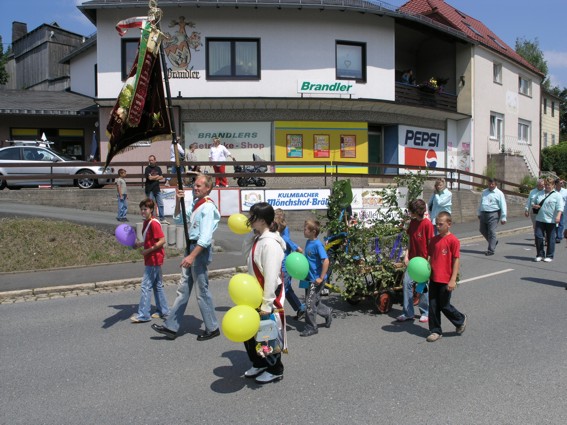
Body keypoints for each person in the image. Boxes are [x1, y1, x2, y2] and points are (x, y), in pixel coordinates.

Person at [151, 174, 221, 341]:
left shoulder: (208, 207)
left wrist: (191, 256)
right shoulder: (197, 203)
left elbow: (205, 238)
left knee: (201, 291)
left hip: (199, 250)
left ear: (208, 188)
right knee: (183, 289)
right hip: (192, 247)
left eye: (199, 186)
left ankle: (212, 327)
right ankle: (171, 326)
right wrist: (177, 201)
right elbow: (178, 219)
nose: (195, 188)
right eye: (195, 185)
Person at [242, 202, 286, 384]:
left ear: (261, 220)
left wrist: (267, 303)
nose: (248, 219)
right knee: (249, 332)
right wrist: (251, 236)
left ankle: (274, 368)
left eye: (252, 216)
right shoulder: (258, 238)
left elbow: (270, 274)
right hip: (253, 293)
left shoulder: (270, 244)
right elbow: (244, 253)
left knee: (265, 334)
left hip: (265, 294)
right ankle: (258, 363)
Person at [426, 211, 466, 342]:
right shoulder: (434, 240)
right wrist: (425, 272)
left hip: (445, 279)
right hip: (433, 278)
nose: (437, 227)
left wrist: (453, 279)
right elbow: (430, 257)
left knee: (444, 305)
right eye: (436, 224)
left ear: (449, 224)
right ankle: (435, 331)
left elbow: (456, 260)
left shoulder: (453, 240)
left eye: (440, 224)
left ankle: (460, 319)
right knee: (432, 306)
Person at [131, 198, 170, 323]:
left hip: (153, 258)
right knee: (157, 285)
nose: (143, 211)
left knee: (145, 286)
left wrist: (148, 250)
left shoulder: (154, 223)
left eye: (145, 209)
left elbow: (162, 241)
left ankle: (143, 314)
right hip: (152, 257)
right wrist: (141, 244)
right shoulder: (146, 222)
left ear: (151, 209)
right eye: (141, 209)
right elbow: (150, 240)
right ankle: (163, 310)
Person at [396, 199, 434, 323]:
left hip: (423, 262)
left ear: (416, 211)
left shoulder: (427, 224)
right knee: (406, 283)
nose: (409, 212)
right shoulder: (412, 223)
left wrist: (428, 262)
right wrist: (407, 255)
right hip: (413, 261)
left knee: (422, 287)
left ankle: (425, 312)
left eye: (411, 210)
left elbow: (430, 244)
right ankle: (408, 313)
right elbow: (410, 241)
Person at [298, 219, 332, 337]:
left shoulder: (317, 245)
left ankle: (311, 327)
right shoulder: (308, 242)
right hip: (308, 278)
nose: (304, 230)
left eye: (305, 229)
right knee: (313, 302)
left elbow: (326, 261)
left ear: (313, 231)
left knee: (309, 304)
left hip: (316, 280)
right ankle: (327, 312)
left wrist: (321, 277)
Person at [274, 208, 306, 320]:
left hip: (285, 265)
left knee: (283, 290)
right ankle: (301, 308)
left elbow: (287, 240)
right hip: (280, 264)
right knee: (286, 289)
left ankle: (277, 314)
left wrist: (296, 248)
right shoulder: (278, 230)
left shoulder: (283, 232)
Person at [532, 177, 563, 262]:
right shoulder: (540, 193)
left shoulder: (557, 195)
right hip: (539, 219)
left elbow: (560, 207)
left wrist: (558, 216)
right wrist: (534, 206)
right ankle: (540, 254)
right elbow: (533, 202)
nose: (546, 186)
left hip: (551, 220)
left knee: (550, 238)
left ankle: (549, 255)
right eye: (546, 185)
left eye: (548, 185)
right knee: (538, 236)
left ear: (553, 185)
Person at [477, 178, 507, 256]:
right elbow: (481, 203)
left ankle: (491, 250)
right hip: (484, 213)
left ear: (495, 184)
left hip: (494, 213)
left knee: (491, 231)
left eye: (492, 184)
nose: (491, 185)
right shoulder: (484, 192)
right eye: (489, 184)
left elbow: (503, 205)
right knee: (482, 230)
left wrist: (504, 217)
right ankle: (493, 242)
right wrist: (479, 212)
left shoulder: (499, 193)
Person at [144, 155, 168, 224]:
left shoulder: (158, 168)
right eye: (149, 160)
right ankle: (152, 218)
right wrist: (157, 176)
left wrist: (154, 177)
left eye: (152, 160)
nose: (150, 162)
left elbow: (161, 177)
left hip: (157, 189)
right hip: (149, 189)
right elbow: (149, 178)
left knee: (160, 204)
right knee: (151, 205)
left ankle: (162, 218)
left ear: (155, 160)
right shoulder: (147, 169)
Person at [554, 179, 567, 244]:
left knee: (561, 223)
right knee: (555, 224)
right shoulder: (553, 191)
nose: (562, 184)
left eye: (562, 183)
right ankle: (557, 235)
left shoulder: (565, 191)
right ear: (556, 184)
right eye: (561, 183)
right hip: (553, 210)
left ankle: (558, 237)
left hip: (562, 209)